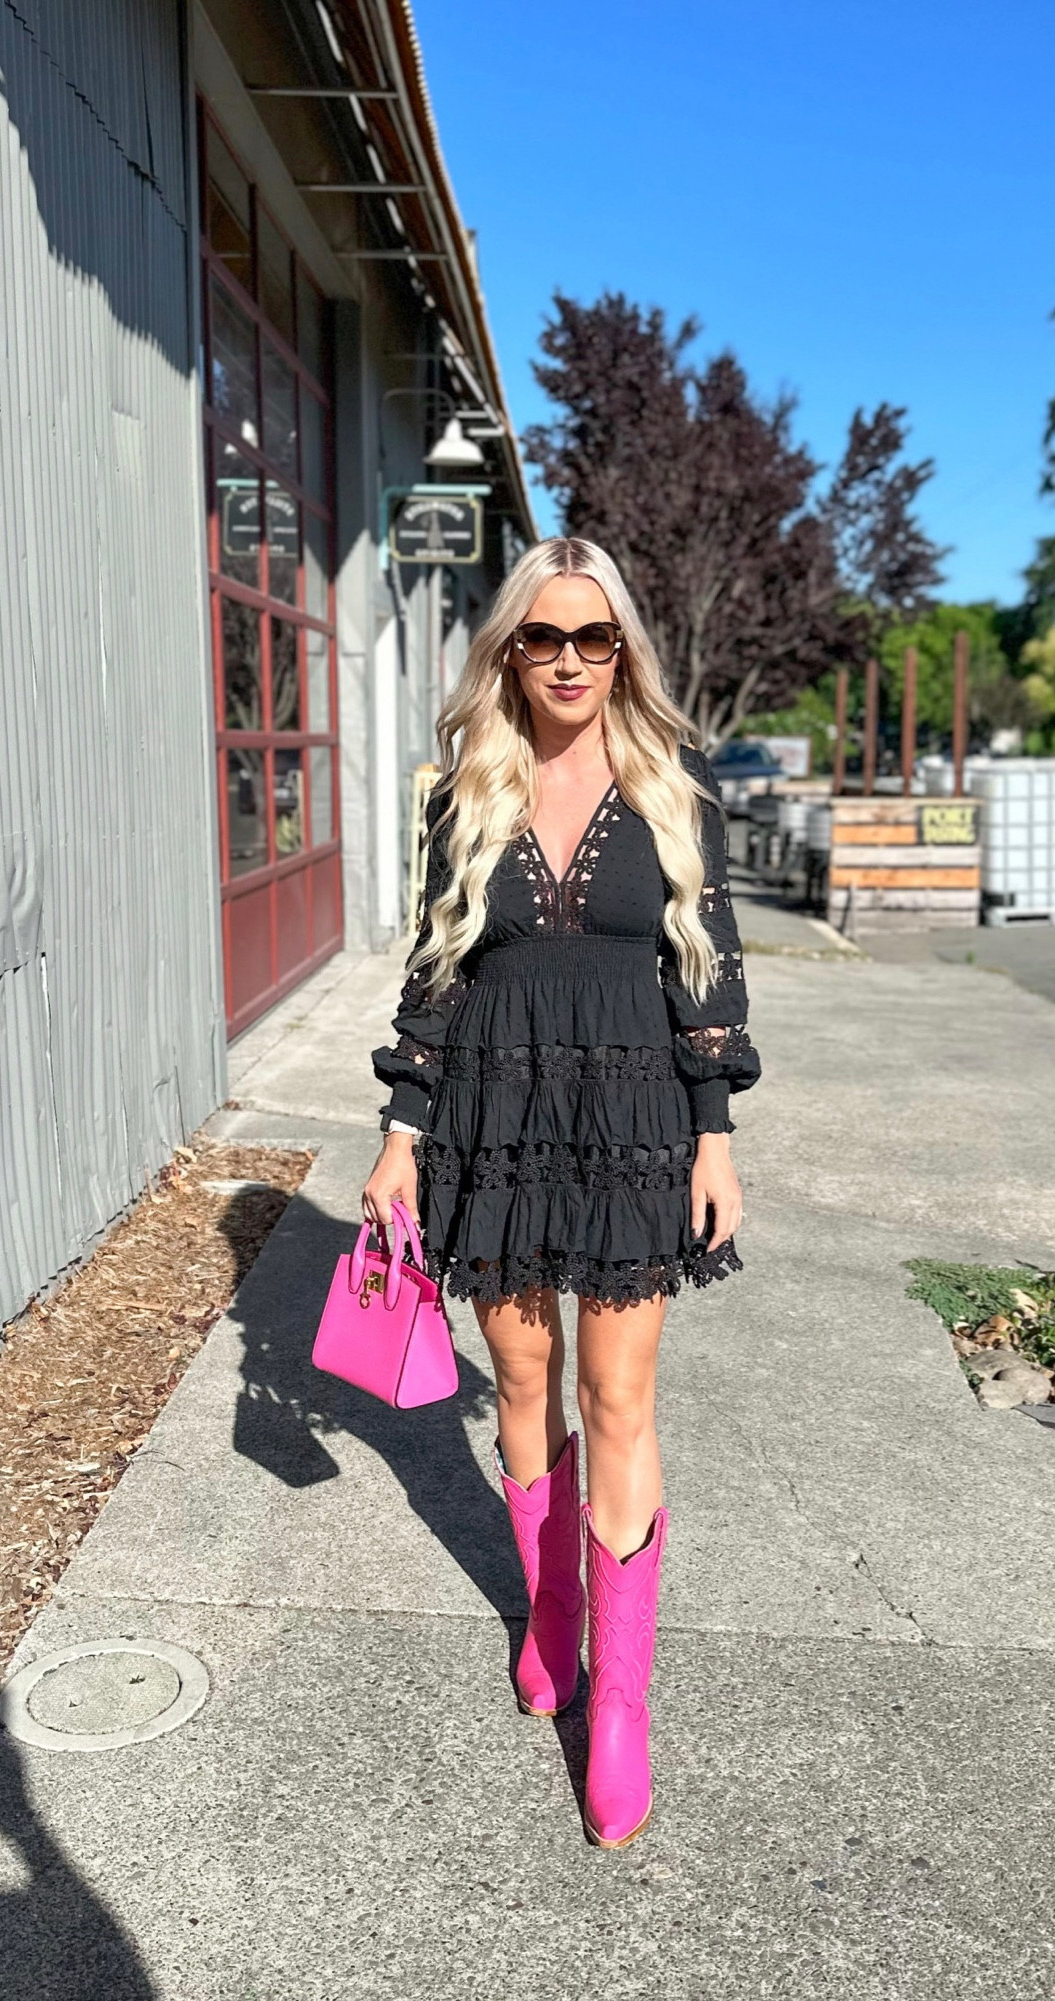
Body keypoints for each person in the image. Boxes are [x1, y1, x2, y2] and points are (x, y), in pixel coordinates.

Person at [364, 536, 759, 1848]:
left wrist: (714, 1131)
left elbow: (707, 971)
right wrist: (399, 1131)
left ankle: (623, 1712)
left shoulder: (672, 778)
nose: (573, 661)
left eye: (597, 638)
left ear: (623, 651)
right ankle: (547, 1614)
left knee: (618, 1395)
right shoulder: (466, 785)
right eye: (546, 637)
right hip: (496, 1110)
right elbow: (436, 974)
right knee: (523, 1385)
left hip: (637, 1117)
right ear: (509, 650)